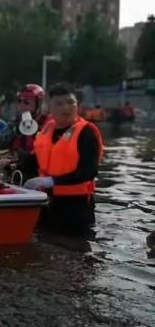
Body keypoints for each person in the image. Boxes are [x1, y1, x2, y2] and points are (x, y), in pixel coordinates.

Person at [24, 83, 103, 235]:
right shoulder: (47, 129)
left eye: (70, 102)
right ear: (49, 107)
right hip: (47, 203)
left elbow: (89, 171)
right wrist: (13, 164)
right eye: (59, 103)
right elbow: (35, 160)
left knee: (77, 251)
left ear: (77, 104)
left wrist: (51, 181)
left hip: (76, 207)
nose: (66, 108)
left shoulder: (86, 132)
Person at [0, 84, 50, 181]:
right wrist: (15, 130)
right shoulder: (15, 122)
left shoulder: (48, 123)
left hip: (37, 176)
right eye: (20, 102)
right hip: (15, 173)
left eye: (26, 102)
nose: (21, 106)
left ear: (39, 103)